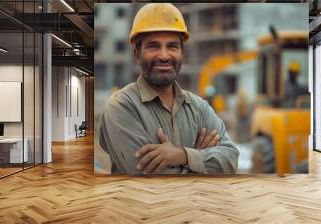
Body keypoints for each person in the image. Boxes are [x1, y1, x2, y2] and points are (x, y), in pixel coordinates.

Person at [99, 3, 239, 175]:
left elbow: (231, 158)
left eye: (172, 46)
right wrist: (200, 158)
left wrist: (183, 156)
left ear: (182, 53)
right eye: (153, 46)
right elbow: (149, 180)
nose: (164, 56)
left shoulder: (198, 107)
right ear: (137, 54)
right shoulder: (121, 107)